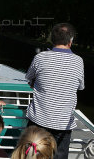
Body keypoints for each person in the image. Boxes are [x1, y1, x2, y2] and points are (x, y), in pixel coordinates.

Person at [25, 23, 84, 159]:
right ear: (71, 41)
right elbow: (80, 87)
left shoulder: (40, 57)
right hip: (63, 124)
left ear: (52, 39)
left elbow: (29, 78)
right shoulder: (78, 61)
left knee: (32, 156)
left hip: (38, 121)